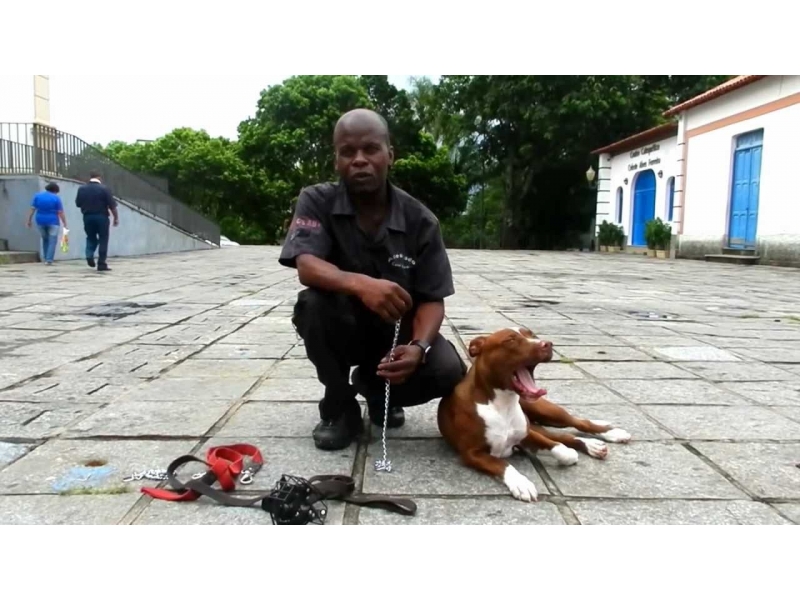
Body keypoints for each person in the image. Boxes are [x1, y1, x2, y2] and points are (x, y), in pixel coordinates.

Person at [279, 108, 467, 450]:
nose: (360, 160)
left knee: (447, 368)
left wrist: (418, 347)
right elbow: (306, 264)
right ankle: (339, 404)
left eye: (371, 149)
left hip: (395, 336)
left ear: (389, 155)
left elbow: (432, 299)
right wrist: (361, 284)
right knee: (312, 305)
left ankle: (378, 392)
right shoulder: (316, 201)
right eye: (348, 152)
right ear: (336, 160)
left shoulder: (420, 220)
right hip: (343, 326)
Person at [75, 171, 119, 272]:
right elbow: (112, 206)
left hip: (87, 217)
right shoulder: (104, 189)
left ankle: (89, 255)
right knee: (103, 239)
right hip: (101, 217)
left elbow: (78, 203)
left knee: (90, 237)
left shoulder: (82, 189)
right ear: (99, 178)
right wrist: (116, 218)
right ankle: (101, 264)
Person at [27, 182, 67, 265]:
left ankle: (46, 257)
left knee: (45, 239)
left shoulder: (37, 196)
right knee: (52, 240)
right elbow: (60, 212)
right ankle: (49, 260)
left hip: (40, 220)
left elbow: (32, 209)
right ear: (55, 190)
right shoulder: (56, 198)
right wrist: (64, 222)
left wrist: (29, 220)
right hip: (53, 221)